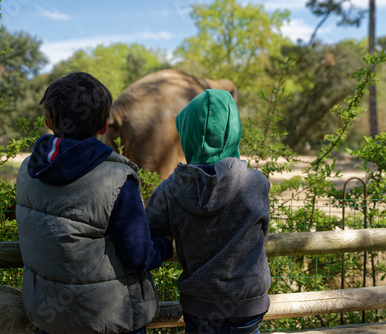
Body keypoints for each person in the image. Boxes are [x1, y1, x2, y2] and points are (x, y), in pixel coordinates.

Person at [16, 71, 173, 334]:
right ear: (104, 126)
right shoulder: (117, 178)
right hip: (112, 322)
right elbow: (139, 256)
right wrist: (166, 246)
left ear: (47, 120)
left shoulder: (27, 171)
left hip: (48, 320)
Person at [145, 89, 271, 334]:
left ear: (187, 134)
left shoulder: (170, 189)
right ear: (233, 130)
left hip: (200, 307)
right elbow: (262, 231)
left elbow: (148, 231)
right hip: (248, 305)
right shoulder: (255, 182)